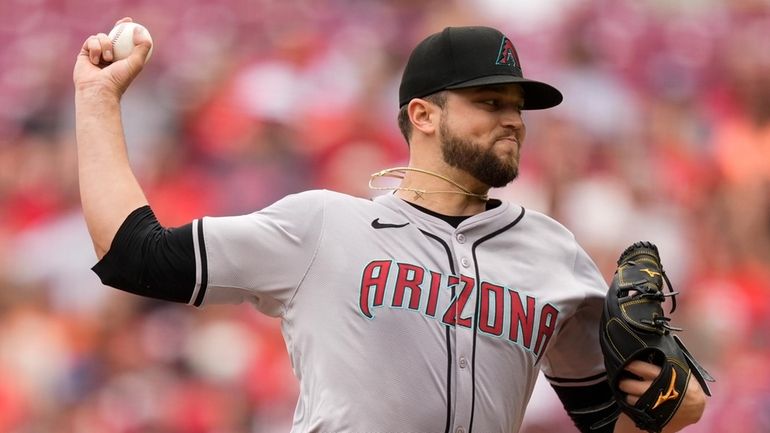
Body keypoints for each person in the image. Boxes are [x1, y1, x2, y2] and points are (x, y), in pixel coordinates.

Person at [73, 17, 707, 433]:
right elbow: (132, 255)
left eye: (517, 107)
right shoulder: (322, 226)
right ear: (422, 115)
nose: (512, 120)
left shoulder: (554, 252)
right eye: (489, 103)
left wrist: (672, 401)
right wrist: (98, 100)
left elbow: (612, 418)